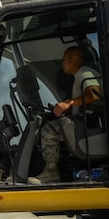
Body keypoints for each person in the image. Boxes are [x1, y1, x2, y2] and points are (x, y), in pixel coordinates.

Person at [36, 46, 101, 183]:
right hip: (84, 120)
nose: (63, 63)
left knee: (49, 129)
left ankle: (51, 171)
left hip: (87, 123)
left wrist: (70, 103)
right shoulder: (81, 75)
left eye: (64, 60)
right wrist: (65, 107)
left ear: (75, 58)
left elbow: (94, 95)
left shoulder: (83, 73)